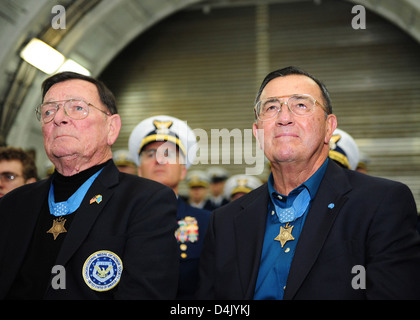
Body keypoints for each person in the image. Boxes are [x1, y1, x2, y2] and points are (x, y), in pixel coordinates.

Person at [197, 66, 420, 300]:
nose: (284, 118)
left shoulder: (380, 204)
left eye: (301, 105)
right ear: (257, 132)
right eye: (271, 107)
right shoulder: (224, 221)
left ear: (328, 127)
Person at [0, 72, 179, 299]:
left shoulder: (146, 201)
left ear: (111, 128)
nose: (59, 118)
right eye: (48, 111)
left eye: (77, 108)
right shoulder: (14, 204)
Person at [129, 115, 210, 299]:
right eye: (150, 154)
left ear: (183, 171)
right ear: (139, 170)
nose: (159, 159)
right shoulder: (114, 220)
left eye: (169, 154)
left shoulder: (208, 223)